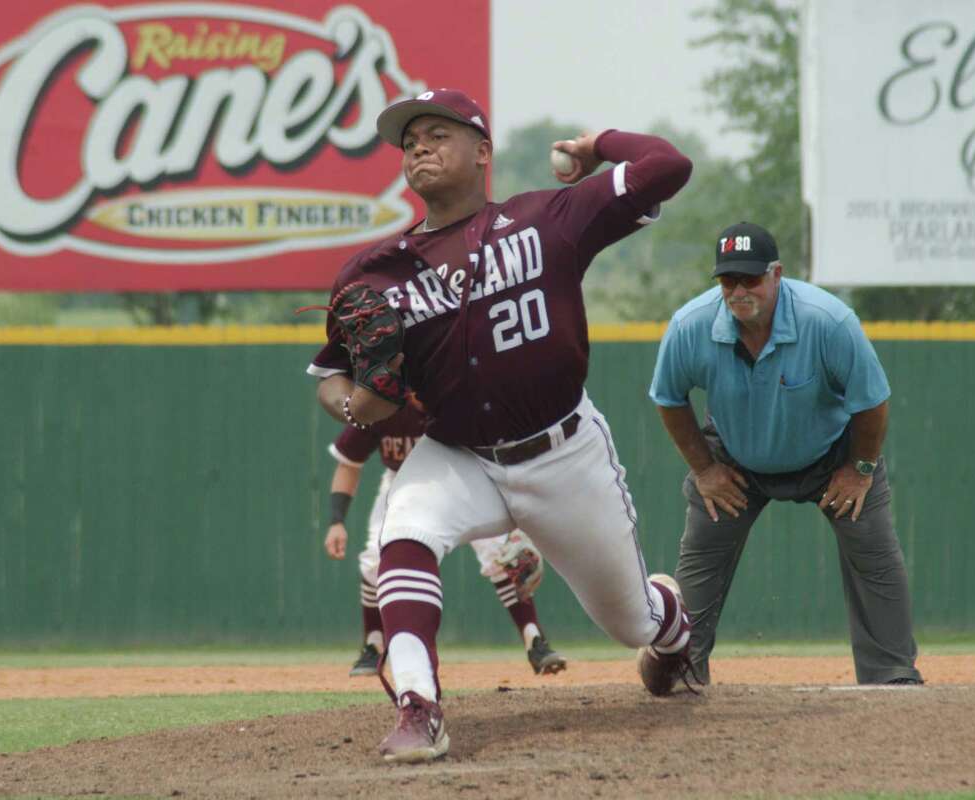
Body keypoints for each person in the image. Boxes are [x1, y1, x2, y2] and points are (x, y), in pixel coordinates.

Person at [306, 88, 696, 763]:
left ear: (483, 152)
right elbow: (329, 378)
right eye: (410, 140)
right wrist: (353, 406)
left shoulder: (551, 217)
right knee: (403, 533)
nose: (420, 146)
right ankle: (419, 707)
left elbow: (668, 166)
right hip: (458, 452)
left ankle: (671, 625)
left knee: (631, 621)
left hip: (562, 453)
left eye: (438, 133)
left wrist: (596, 143)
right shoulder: (374, 272)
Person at [648, 221, 924, 687]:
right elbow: (668, 398)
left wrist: (860, 470)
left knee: (875, 552)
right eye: (728, 280)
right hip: (735, 457)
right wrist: (704, 469)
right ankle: (682, 671)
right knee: (700, 559)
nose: (738, 290)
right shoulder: (691, 326)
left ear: (777, 274)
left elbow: (872, 401)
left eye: (750, 278)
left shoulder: (827, 321)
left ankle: (892, 675)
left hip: (834, 453)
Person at [323, 397, 568, 677]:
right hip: (402, 484)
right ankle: (373, 646)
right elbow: (348, 464)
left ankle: (534, 640)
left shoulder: (457, 399)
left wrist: (515, 517)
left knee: (503, 556)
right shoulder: (383, 404)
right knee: (375, 561)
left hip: (461, 479)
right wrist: (336, 521)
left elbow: (502, 455)